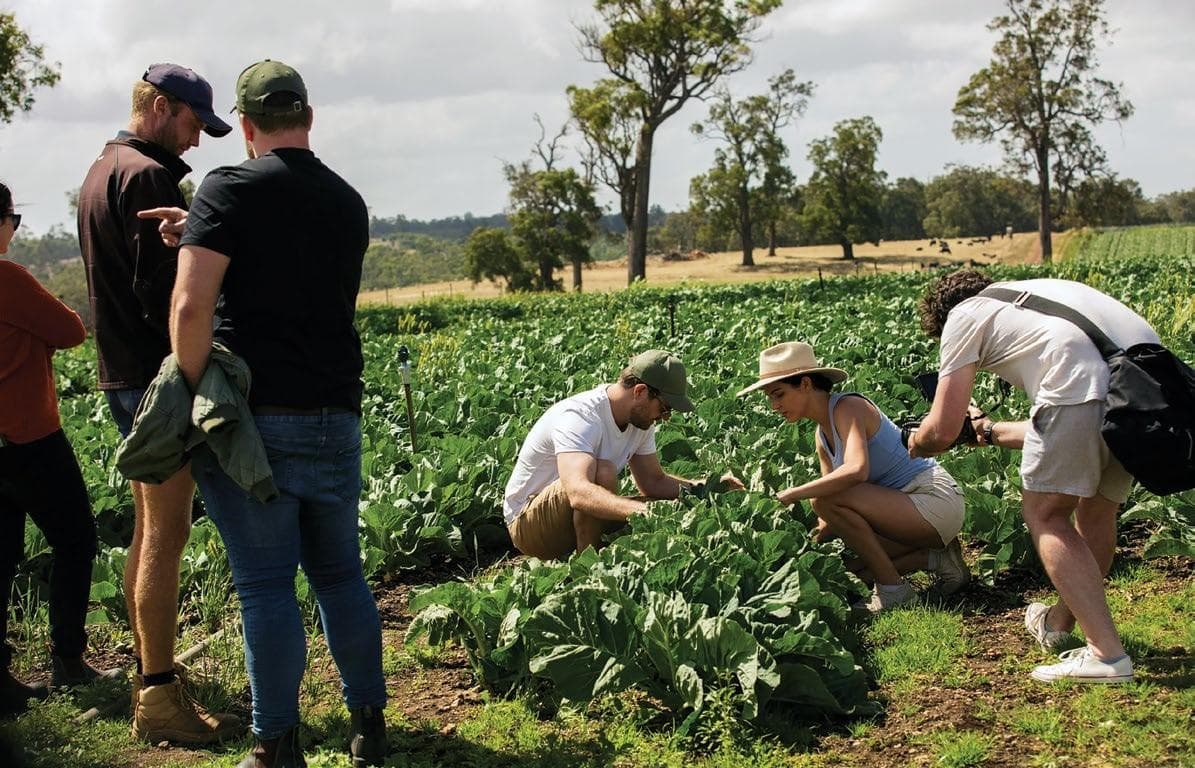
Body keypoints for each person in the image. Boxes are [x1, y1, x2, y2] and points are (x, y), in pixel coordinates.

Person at [170, 59, 387, 767]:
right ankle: (369, 726)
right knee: (340, 575)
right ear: (309, 119)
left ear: (248, 126)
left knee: (265, 585)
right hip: (336, 411)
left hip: (257, 420)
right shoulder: (347, 199)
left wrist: (199, 393)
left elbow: (190, 306)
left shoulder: (225, 188)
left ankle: (274, 744)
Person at [76, 63, 241, 744]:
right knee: (165, 537)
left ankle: (150, 670)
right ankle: (159, 698)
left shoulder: (101, 167)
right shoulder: (148, 176)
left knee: (148, 531)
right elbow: (166, 297)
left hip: (120, 375)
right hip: (153, 380)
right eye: (193, 125)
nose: (198, 143)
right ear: (162, 107)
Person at [912, 270, 1160, 683]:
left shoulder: (963, 315)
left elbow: (939, 431)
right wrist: (988, 432)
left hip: (1077, 390)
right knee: (1097, 513)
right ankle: (1059, 626)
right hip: (1141, 392)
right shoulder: (1039, 296)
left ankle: (1108, 656)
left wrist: (917, 442)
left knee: (1046, 514)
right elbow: (1063, 424)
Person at [0, 182, 120, 718]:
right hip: (29, 437)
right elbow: (71, 330)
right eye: (13, 219)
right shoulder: (8, 279)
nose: (14, 230)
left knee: (1, 557)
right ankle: (68, 659)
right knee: (75, 540)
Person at [737, 341, 969, 613]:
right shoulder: (821, 436)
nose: (774, 405)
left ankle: (895, 591)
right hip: (903, 514)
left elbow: (856, 470)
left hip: (934, 501)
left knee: (824, 499)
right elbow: (830, 520)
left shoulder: (848, 407)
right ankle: (936, 559)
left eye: (779, 394)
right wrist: (806, 550)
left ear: (806, 384)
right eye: (770, 398)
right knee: (848, 569)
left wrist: (791, 494)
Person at [504, 349, 742, 560]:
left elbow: (653, 482)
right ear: (640, 391)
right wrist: (641, 512)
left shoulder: (641, 422)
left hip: (574, 518)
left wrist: (706, 488)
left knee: (674, 509)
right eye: (665, 407)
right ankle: (589, 567)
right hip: (529, 525)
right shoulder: (581, 416)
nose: (665, 417)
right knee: (603, 471)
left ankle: (592, 554)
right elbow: (577, 492)